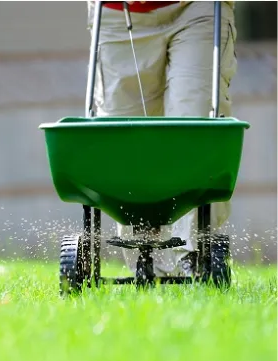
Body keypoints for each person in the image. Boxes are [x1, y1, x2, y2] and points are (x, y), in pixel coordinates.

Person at [87, 1, 237, 276]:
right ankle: (147, 261)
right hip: (118, 13)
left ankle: (195, 255)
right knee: (125, 137)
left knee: (195, 118)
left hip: (197, 8)